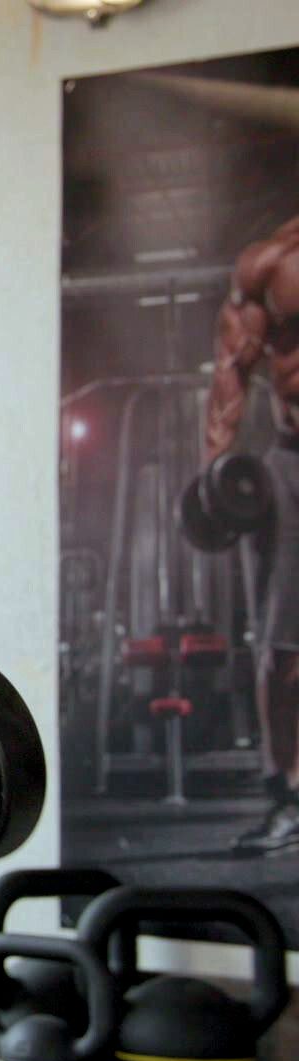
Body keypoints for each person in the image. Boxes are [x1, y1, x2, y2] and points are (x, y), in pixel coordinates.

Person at [203, 214, 299, 855]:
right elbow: (233, 368)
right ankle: (286, 798)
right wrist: (215, 470)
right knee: (283, 650)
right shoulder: (272, 266)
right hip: (291, 465)